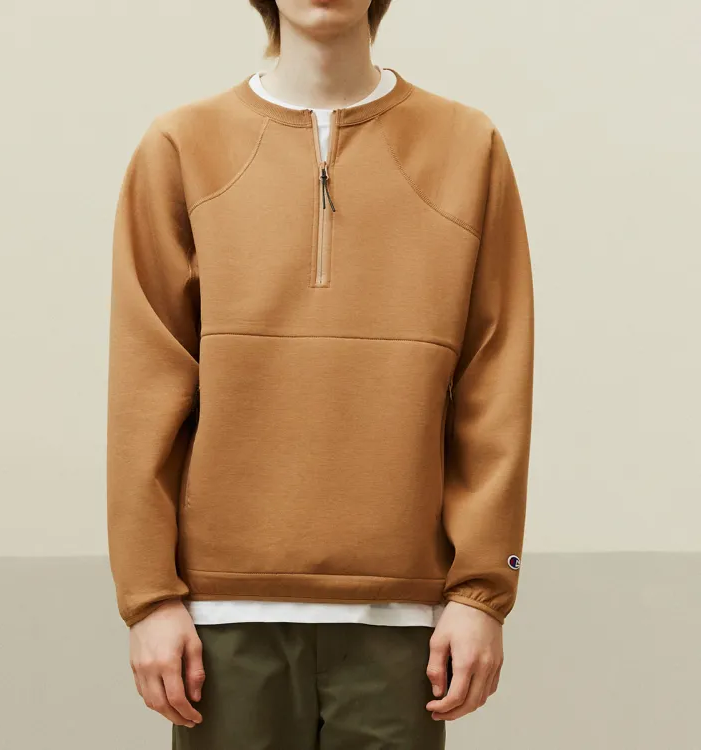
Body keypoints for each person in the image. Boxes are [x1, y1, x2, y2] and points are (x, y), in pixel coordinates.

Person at [106, 0, 534, 747]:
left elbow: (494, 384)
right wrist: (149, 598)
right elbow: (145, 388)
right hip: (221, 617)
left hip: (402, 617)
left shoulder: (468, 147)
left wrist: (481, 593)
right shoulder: (181, 146)